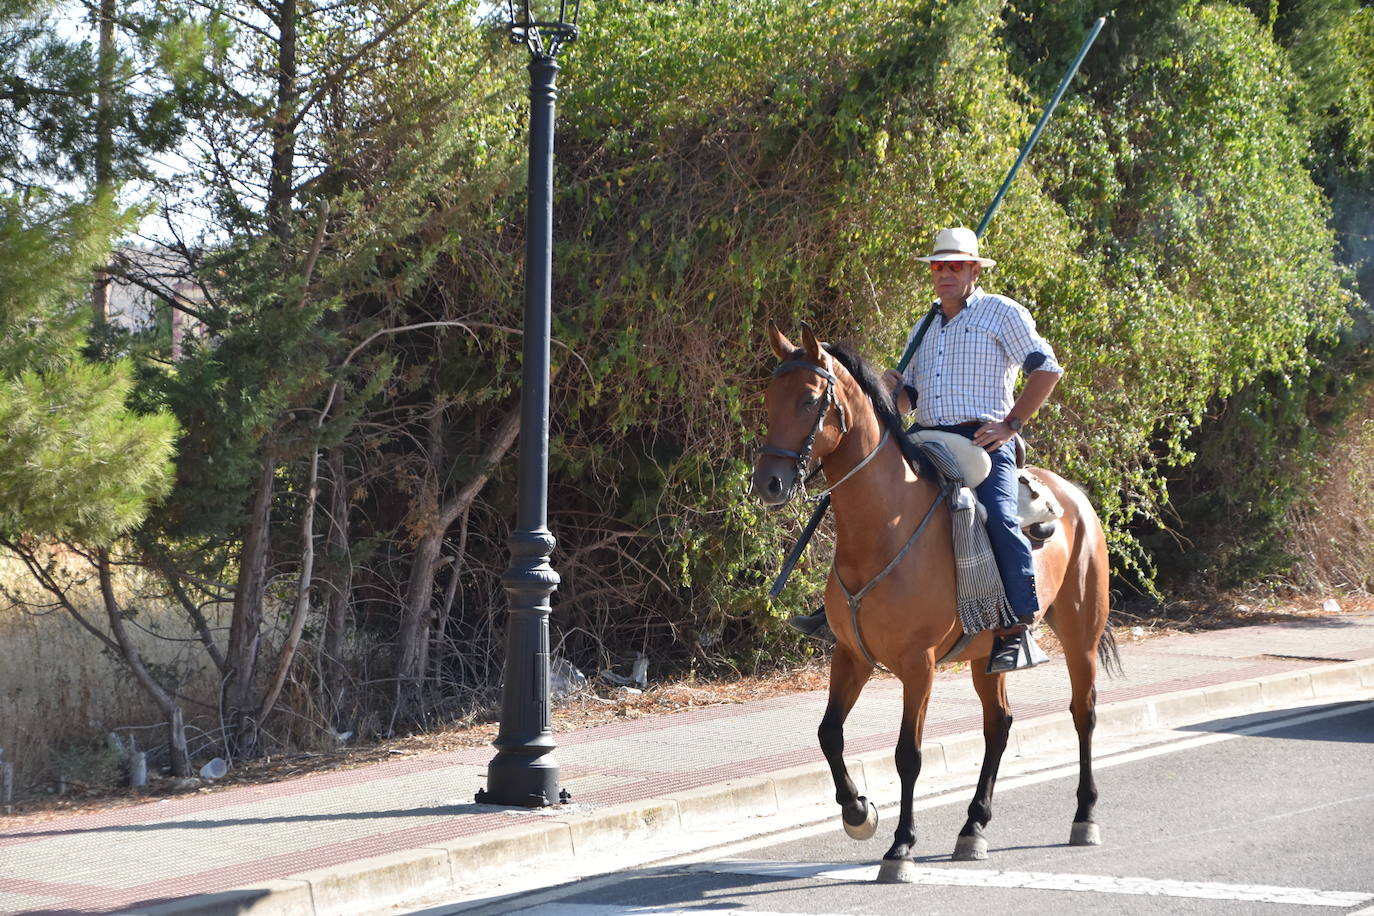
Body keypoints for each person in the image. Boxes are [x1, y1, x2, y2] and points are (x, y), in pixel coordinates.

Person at [788, 227, 1062, 673]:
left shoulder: (1002, 313)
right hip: (927, 437)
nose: (947, 273)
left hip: (982, 441)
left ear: (974, 270)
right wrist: (892, 392)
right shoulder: (924, 327)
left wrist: (1011, 425)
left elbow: (1046, 369)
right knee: (867, 498)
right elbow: (908, 400)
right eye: (939, 266)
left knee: (997, 513)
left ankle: (1017, 626)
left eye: (956, 265)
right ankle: (839, 611)